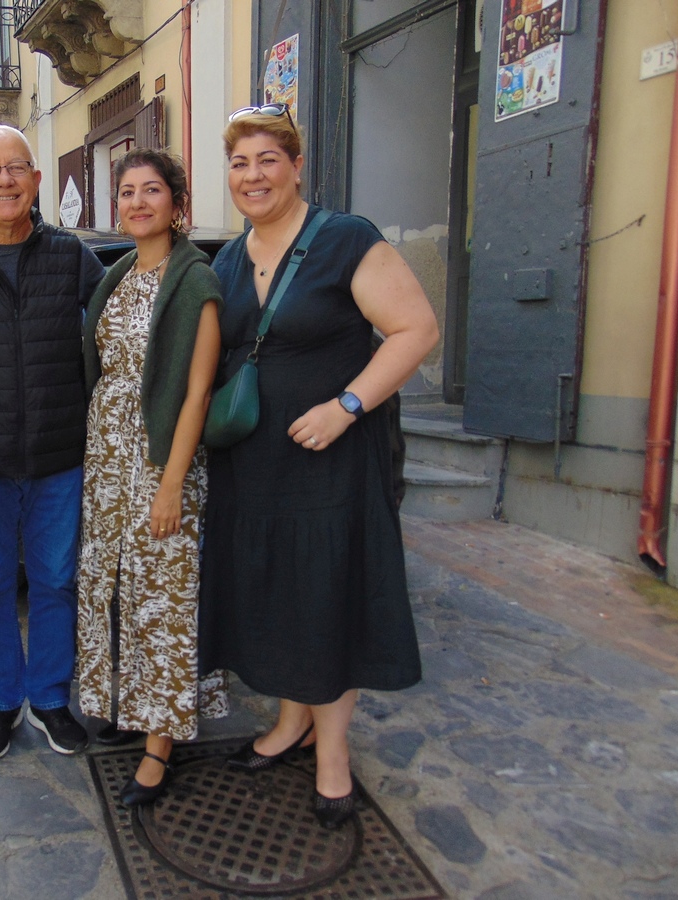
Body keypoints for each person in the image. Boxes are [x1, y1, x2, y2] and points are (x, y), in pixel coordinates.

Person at [198, 105, 440, 830]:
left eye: (268, 160)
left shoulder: (344, 240)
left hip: (332, 463)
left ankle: (331, 754)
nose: (253, 176)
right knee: (279, 596)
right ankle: (288, 721)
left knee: (326, 598)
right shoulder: (230, 259)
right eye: (240, 164)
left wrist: (347, 404)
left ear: (297, 167)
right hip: (255, 467)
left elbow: (416, 328)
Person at [0, 125, 105, 760]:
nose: (4, 181)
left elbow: (121, 330)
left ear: (36, 180)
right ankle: (2, 702)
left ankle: (52, 699)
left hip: (61, 458)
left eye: (16, 168)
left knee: (58, 583)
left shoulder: (70, 255)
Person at [78, 149, 228, 807]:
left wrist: (169, 482)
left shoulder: (194, 279)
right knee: (111, 583)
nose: (138, 202)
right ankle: (127, 707)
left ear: (177, 203)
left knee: (162, 599)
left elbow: (196, 393)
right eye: (128, 192)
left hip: (160, 459)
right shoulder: (113, 276)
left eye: (152, 191)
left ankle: (161, 742)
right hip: (107, 458)